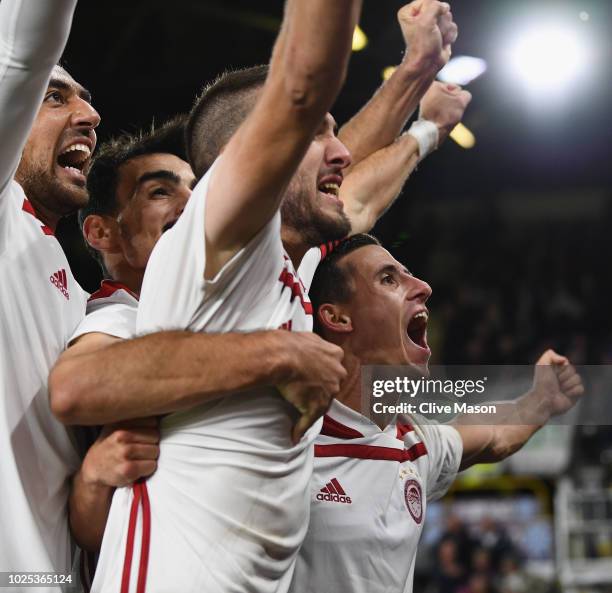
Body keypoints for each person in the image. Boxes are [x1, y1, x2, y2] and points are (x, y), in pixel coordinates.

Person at [49, 0, 469, 557]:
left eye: (191, 184)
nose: (191, 199)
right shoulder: (120, 315)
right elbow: (77, 392)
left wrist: (419, 96)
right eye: (159, 190)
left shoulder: (261, 269)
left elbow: (333, 187)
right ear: (105, 234)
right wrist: (283, 354)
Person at [289, 234, 584, 593]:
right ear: (337, 316)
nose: (424, 287)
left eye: (410, 274)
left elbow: (493, 435)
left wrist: (540, 401)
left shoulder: (414, 444)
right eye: (388, 279)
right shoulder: (289, 437)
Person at [0, 0, 100, 584]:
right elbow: (21, 49)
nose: (89, 114)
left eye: (89, 102)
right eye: (55, 97)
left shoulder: (90, 304)